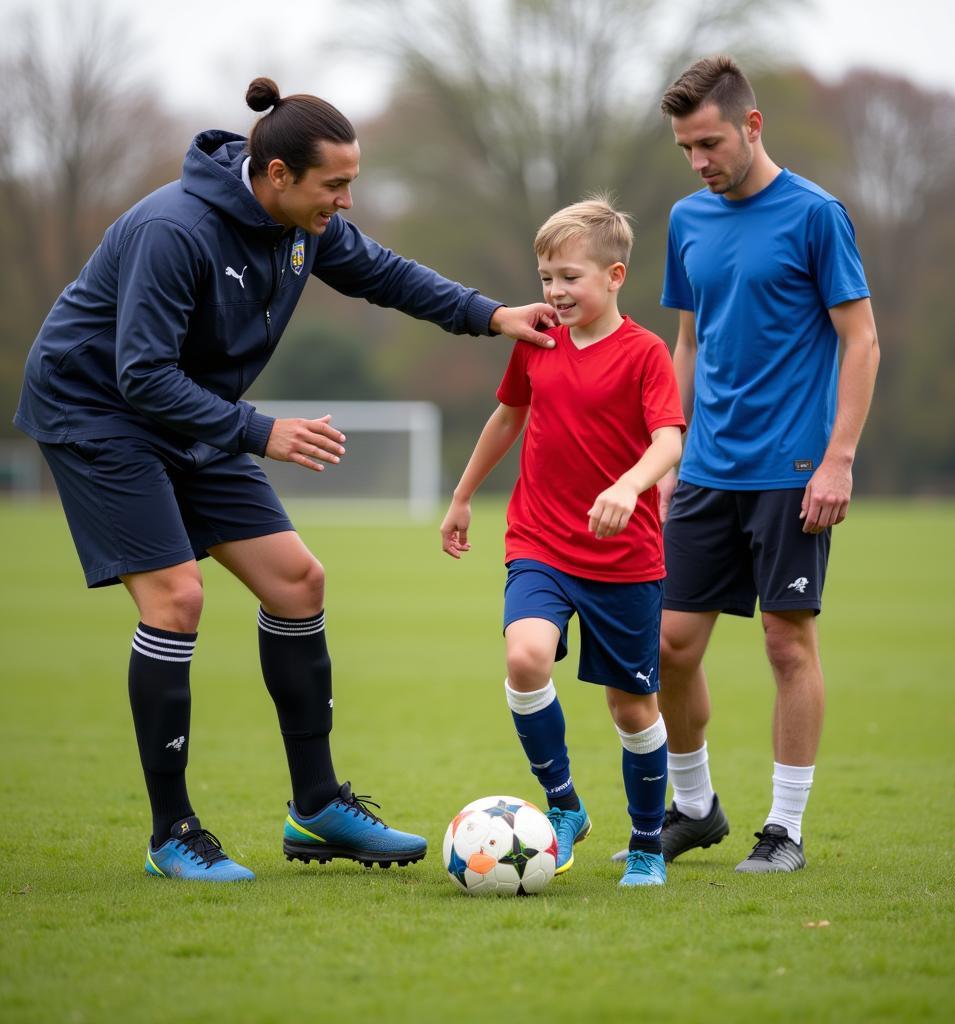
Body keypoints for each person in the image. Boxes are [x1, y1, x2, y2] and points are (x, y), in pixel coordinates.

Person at [13, 77, 557, 883]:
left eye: (351, 184)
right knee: (176, 596)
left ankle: (315, 808)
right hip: (100, 410)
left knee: (299, 582)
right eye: (334, 185)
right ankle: (172, 833)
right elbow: (139, 375)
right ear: (276, 176)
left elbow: (385, 273)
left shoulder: (305, 225)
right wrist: (262, 432)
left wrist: (491, 315)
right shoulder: (175, 231)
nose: (345, 200)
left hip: (193, 412)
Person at [613, 55, 880, 873]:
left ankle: (785, 830)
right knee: (668, 646)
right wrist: (668, 447)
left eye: (710, 142)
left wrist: (837, 459)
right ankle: (695, 808)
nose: (700, 161)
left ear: (751, 126)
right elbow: (687, 341)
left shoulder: (815, 215)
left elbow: (860, 338)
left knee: (785, 642)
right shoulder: (688, 220)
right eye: (687, 148)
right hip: (703, 472)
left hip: (792, 469)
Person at [439, 197, 685, 887]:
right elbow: (507, 416)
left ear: (614, 275)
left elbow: (670, 438)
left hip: (625, 558)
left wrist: (629, 486)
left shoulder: (645, 353)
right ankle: (564, 804)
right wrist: (461, 497)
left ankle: (644, 844)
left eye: (569, 276)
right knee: (525, 658)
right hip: (540, 541)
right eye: (547, 276)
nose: (554, 291)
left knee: (631, 709)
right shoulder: (536, 339)